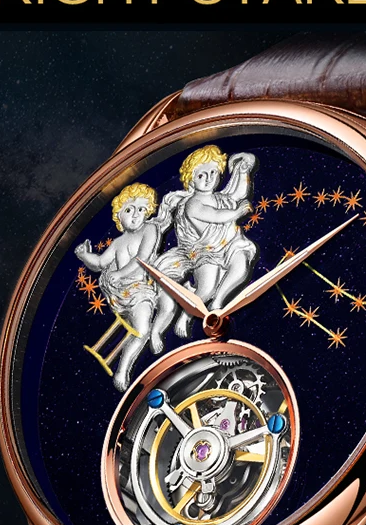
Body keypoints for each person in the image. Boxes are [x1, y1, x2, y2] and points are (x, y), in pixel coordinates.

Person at [149, 145, 259, 346]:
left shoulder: (220, 198)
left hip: (230, 245)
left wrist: (243, 170)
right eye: (201, 175)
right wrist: (236, 213)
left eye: (213, 173)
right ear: (191, 180)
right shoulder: (192, 204)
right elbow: (215, 216)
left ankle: (218, 304)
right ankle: (187, 315)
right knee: (206, 289)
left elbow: (237, 193)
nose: (208, 179)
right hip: (205, 252)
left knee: (241, 268)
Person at [74, 182, 161, 391]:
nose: (136, 215)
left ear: (149, 210)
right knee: (136, 330)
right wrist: (85, 256)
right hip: (120, 294)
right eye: (129, 210)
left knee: (142, 330)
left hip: (141, 291)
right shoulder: (117, 243)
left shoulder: (149, 229)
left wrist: (119, 273)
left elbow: (142, 259)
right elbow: (100, 263)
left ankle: (123, 369)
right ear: (118, 216)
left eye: (141, 209)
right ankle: (122, 367)